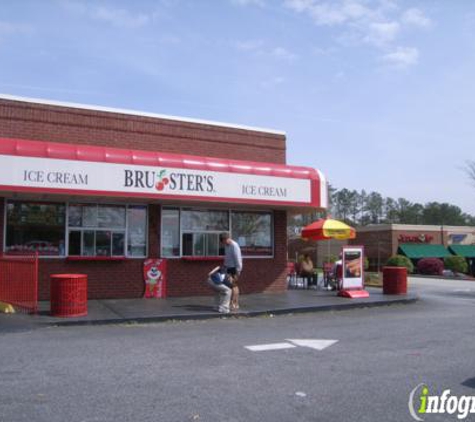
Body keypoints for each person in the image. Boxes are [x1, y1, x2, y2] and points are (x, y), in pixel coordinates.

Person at [220, 232, 242, 311]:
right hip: (228, 268)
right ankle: (231, 303)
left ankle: (235, 304)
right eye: (223, 242)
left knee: (234, 286)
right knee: (229, 286)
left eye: (224, 241)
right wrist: (224, 266)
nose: (224, 243)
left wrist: (238, 270)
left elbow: (238, 258)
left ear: (227, 238)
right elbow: (227, 257)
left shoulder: (234, 246)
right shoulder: (227, 246)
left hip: (234, 268)